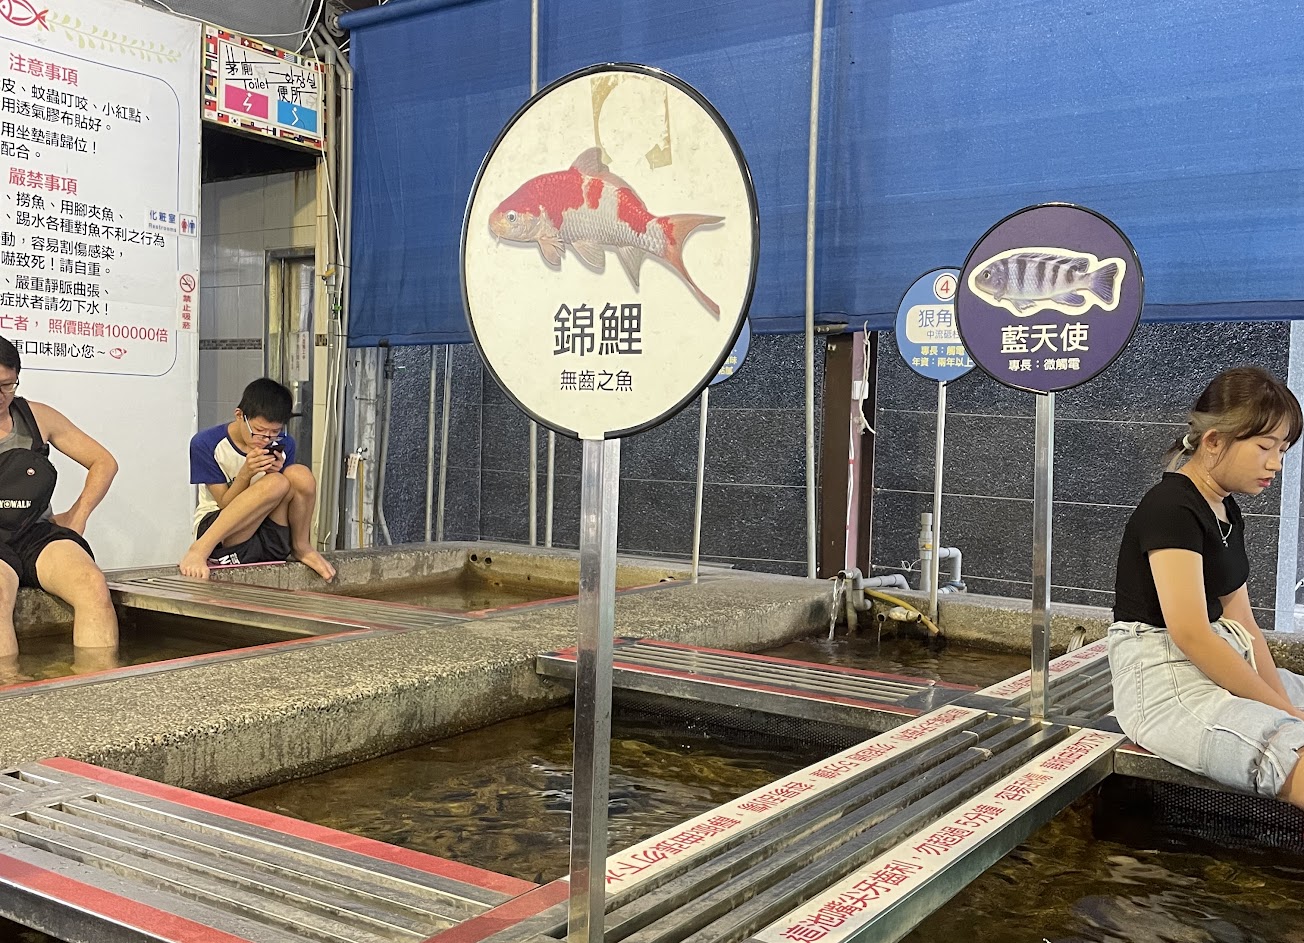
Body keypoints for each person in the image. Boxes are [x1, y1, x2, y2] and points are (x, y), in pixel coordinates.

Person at [1109, 365, 1304, 807]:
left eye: (1283, 449)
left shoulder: (1226, 508)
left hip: (1218, 657)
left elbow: (1244, 624)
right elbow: (1191, 633)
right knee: (1286, 749)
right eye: (1265, 447)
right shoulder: (1171, 507)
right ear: (1214, 441)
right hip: (1163, 681)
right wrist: (1286, 717)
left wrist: (1284, 705)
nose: (1276, 463)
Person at [0, 337, 118, 679]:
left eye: (7, 385)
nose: (0, 395)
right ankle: (11, 694)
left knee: (91, 584)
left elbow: (103, 461)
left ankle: (98, 690)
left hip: (34, 532)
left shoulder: (36, 417)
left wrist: (77, 516)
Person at [181, 378, 335, 582]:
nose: (265, 439)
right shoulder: (206, 443)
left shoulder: (284, 443)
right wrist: (246, 473)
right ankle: (199, 550)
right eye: (259, 431)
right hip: (220, 533)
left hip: (266, 533)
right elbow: (224, 503)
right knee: (276, 483)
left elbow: (284, 497)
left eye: (275, 432)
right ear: (239, 416)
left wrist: (273, 472)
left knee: (299, 475)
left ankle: (302, 547)